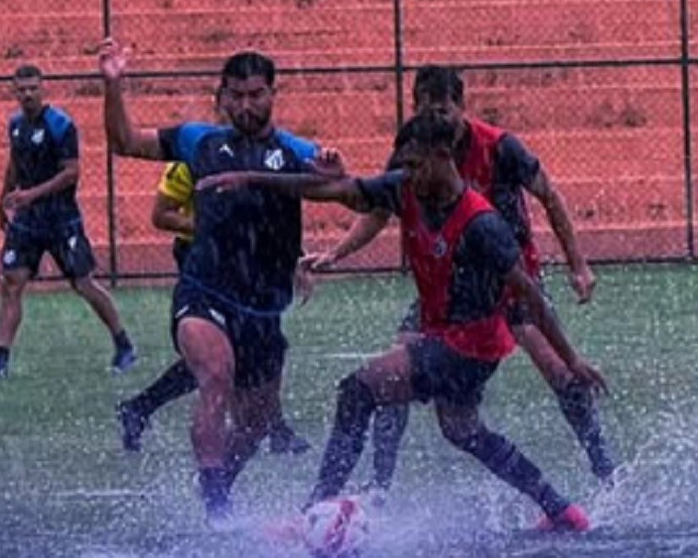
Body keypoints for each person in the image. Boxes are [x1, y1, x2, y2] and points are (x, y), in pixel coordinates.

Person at [198, 110, 605, 531]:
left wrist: (570, 360)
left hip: (470, 346)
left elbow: (532, 298)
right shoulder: (406, 188)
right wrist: (253, 178)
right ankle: (562, 510)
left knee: (357, 391)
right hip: (450, 340)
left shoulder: (482, 224)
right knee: (464, 432)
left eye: (415, 165)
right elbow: (339, 188)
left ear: (444, 156)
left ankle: (312, 515)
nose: (407, 174)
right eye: (403, 166)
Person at [304, 66, 616, 496]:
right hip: (451, 290)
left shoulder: (500, 147)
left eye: (445, 108)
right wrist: (338, 252)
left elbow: (549, 194)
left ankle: (606, 472)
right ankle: (380, 486)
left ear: (461, 108)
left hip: (511, 281)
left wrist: (578, 265)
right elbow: (379, 208)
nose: (439, 117)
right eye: (427, 107)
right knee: (398, 368)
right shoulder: (414, 151)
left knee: (562, 373)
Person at [100, 39, 324, 524]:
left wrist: (332, 183)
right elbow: (124, 142)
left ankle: (217, 488)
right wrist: (114, 86)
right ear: (222, 96)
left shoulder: (296, 152)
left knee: (258, 423)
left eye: (256, 94)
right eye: (237, 95)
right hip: (205, 291)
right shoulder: (199, 141)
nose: (246, 105)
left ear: (273, 94)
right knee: (215, 376)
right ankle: (219, 505)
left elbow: (344, 190)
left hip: (264, 308)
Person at [116, 88, 309, 456]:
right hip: (206, 265)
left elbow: (267, 218)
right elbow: (161, 215)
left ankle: (141, 407)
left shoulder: (262, 158)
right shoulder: (193, 157)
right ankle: (272, 426)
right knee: (218, 357)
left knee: (251, 345)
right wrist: (211, 226)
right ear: (219, 109)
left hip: (252, 268)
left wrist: (295, 257)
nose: (243, 113)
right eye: (233, 105)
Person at [0, 65, 136, 377]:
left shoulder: (61, 125)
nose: (27, 94)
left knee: (83, 284)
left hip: (61, 219)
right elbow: (15, 163)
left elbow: (72, 172)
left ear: (43, 89)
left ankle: (124, 345)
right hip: (28, 221)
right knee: (11, 283)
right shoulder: (16, 125)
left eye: (33, 88)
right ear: (14, 92)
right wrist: (1, 199)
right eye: (22, 89)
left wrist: (32, 194)